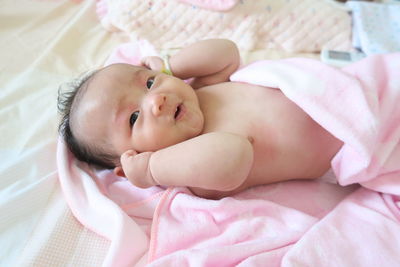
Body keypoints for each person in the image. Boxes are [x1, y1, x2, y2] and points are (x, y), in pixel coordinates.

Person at [58, 39, 343, 199]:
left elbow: (227, 53)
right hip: (351, 140)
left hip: (343, 89)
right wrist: (152, 170)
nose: (156, 100)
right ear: (130, 161)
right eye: (134, 118)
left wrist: (171, 68)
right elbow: (236, 155)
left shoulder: (198, 90)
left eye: (147, 84)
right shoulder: (191, 169)